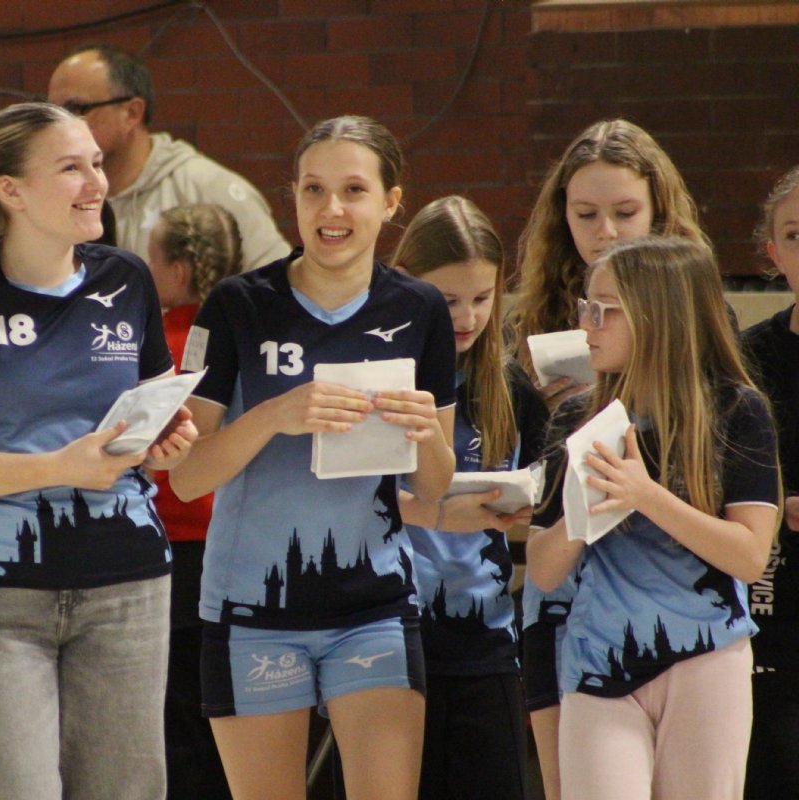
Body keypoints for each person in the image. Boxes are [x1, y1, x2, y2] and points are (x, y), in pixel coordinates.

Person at [0, 102, 197, 800]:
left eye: (97, 164)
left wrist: (165, 443)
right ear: (10, 191)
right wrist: (56, 468)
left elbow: (150, 427)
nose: (97, 183)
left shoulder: (126, 279)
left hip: (126, 583)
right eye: (71, 168)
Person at [170, 115, 457, 800]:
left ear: (391, 202)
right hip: (252, 607)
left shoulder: (419, 309)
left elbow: (433, 485)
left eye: (354, 190)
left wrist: (425, 432)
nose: (332, 209)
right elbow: (185, 475)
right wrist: (275, 415)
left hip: (374, 605)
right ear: (294, 197)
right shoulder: (237, 305)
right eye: (313, 189)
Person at [525, 236, 780, 800]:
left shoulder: (737, 410)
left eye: (604, 310)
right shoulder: (577, 417)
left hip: (708, 659)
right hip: (599, 661)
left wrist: (645, 495)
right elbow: (542, 571)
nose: (586, 324)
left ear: (658, 315)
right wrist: (580, 512)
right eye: (586, 306)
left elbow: (748, 555)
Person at [505, 118, 709, 800]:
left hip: (668, 589)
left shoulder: (695, 313)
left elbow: (717, 450)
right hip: (563, 579)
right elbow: (526, 470)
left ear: (659, 210)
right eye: (586, 214)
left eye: (625, 212)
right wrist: (552, 412)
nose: (607, 232)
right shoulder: (536, 317)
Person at [391, 196, 548, 800]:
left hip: (486, 637)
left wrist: (524, 508)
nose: (467, 317)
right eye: (448, 300)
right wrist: (436, 513)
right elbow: (345, 499)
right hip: (387, 634)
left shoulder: (509, 387)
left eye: (482, 298)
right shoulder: (377, 379)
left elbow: (541, 507)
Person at [144, 203, 241, 800]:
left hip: (175, 553)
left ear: (178, 271)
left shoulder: (159, 350)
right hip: (232, 551)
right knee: (224, 717)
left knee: (179, 720)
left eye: (152, 260)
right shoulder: (242, 340)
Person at [47, 44, 291, 270]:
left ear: (132, 113)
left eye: (75, 109)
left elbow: (279, 287)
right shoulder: (51, 195)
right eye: (52, 112)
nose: (60, 125)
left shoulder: (209, 190)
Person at [740, 165, 799, 800]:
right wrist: (775, 505)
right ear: (773, 253)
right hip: (777, 600)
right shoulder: (750, 356)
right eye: (794, 235)